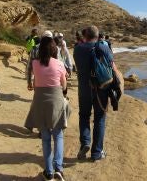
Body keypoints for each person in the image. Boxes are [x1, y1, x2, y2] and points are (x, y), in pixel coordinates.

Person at [24, 36, 67, 181]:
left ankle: (48, 172)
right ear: (54, 49)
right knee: (58, 135)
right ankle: (58, 169)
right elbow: (64, 85)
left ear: (40, 49)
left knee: (46, 138)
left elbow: (36, 83)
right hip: (55, 100)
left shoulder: (36, 63)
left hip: (40, 101)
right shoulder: (59, 63)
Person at [73, 25, 115, 161]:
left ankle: (85, 142)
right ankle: (97, 152)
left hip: (84, 89)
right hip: (100, 89)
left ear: (85, 35)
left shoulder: (78, 49)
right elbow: (111, 63)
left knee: (84, 116)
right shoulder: (103, 47)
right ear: (97, 36)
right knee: (99, 118)